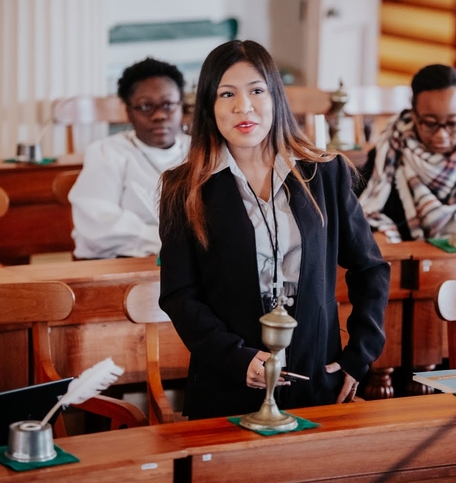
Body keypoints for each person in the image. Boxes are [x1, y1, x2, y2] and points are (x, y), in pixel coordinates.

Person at [158, 40, 390, 420]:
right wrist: (235, 358)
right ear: (208, 107)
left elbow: (370, 269)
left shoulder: (324, 173)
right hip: (228, 381)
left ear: (275, 97)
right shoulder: (184, 188)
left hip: (315, 374)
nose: (243, 107)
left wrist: (358, 356)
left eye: (256, 91)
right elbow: (180, 295)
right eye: (226, 94)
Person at [357, 64, 456, 242]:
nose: (442, 135)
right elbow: (365, 220)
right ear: (414, 115)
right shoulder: (388, 151)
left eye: (453, 123)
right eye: (430, 123)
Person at [69, 58, 191, 258]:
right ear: (128, 111)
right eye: (145, 107)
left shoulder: (200, 151)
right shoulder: (107, 153)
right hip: (122, 265)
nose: (159, 115)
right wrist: (175, 243)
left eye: (168, 104)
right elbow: (99, 225)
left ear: (181, 106)